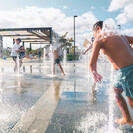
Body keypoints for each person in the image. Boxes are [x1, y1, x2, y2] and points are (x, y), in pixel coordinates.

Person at [89, 21, 133, 125]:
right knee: (114, 92)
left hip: (127, 70)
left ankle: (128, 119)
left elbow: (92, 63)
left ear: (98, 29)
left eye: (93, 34)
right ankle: (127, 119)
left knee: (131, 99)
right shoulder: (120, 35)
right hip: (123, 71)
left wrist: (95, 73)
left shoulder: (99, 38)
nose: (94, 36)